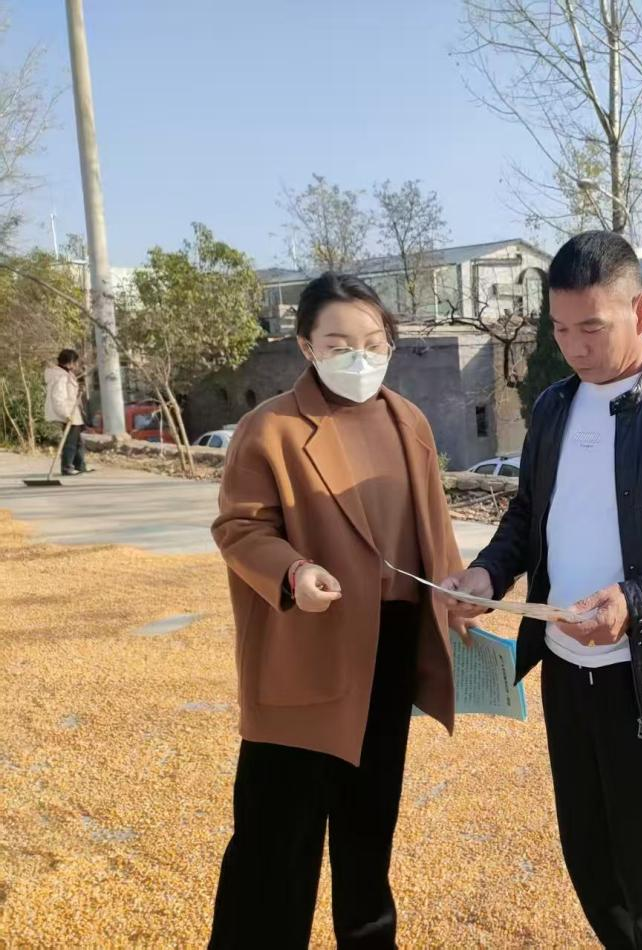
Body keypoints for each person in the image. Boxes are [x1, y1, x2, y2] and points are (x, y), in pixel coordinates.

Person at [439, 231, 642, 949]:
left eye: (591, 327)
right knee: (591, 860)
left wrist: (634, 603)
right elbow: (527, 514)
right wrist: (488, 574)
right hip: (565, 673)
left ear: (640, 313)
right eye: (560, 329)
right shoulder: (555, 407)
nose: (574, 347)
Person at [208, 272, 467, 948]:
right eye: (339, 344)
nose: (360, 357)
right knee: (275, 842)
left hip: (390, 649)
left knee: (368, 832)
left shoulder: (408, 421)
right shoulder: (269, 428)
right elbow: (239, 528)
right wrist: (293, 571)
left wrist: (457, 594)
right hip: (303, 647)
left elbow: (432, 526)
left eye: (373, 343)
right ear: (306, 345)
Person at [44, 348, 92, 476]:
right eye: (75, 362)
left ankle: (80, 465)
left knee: (77, 441)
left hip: (73, 412)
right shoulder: (60, 376)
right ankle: (67, 467)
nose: (76, 364)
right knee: (71, 442)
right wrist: (65, 414)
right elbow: (58, 397)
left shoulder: (66, 373)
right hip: (67, 413)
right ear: (70, 362)